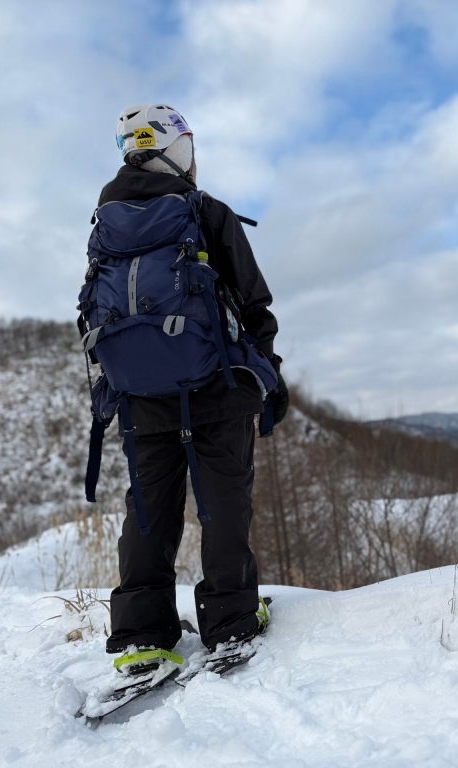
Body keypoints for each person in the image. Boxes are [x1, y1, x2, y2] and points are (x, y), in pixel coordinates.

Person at [96, 104, 288, 670]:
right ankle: (230, 621)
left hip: (139, 397)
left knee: (149, 510)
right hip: (216, 387)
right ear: (179, 150)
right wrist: (266, 375)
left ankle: (141, 635)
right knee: (223, 504)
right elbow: (254, 302)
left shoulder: (106, 223)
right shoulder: (205, 211)